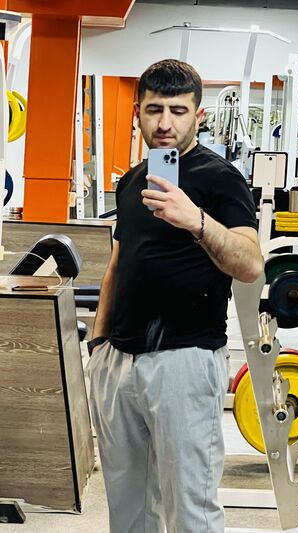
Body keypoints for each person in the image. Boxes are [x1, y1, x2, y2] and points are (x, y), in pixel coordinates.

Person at [87, 58, 264, 533]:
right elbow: (120, 261)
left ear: (198, 116)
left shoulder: (220, 178)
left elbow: (251, 264)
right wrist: (99, 346)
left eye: (178, 111)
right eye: (154, 110)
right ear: (137, 114)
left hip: (185, 360)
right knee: (127, 507)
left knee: (190, 508)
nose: (165, 123)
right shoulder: (132, 180)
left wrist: (197, 221)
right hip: (119, 362)